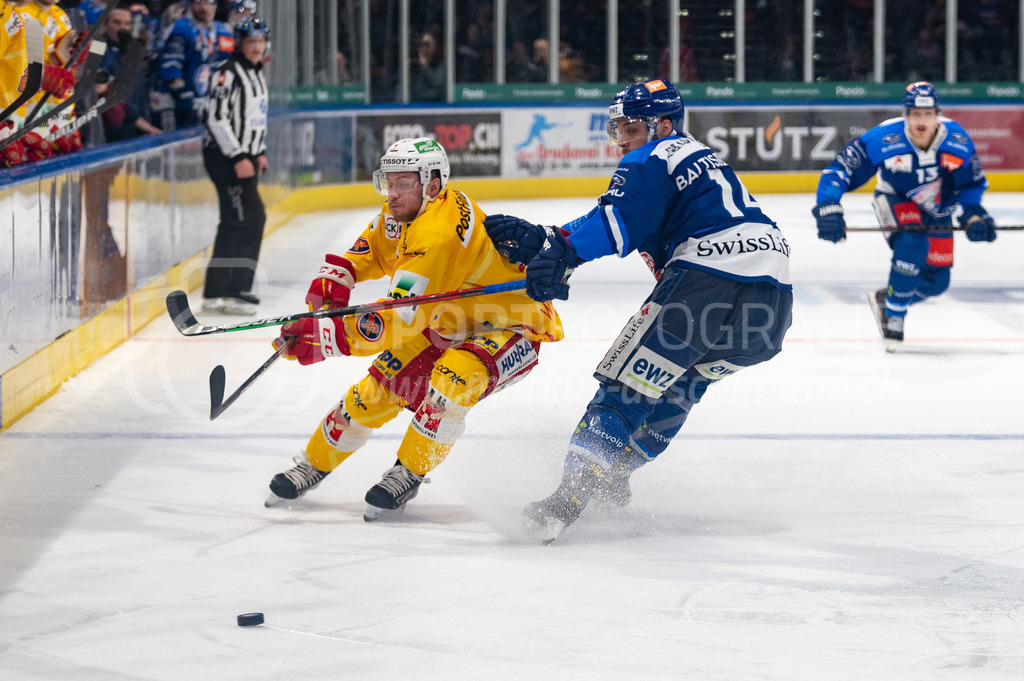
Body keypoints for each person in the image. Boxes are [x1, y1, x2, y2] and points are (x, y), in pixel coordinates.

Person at [484, 79, 793, 543]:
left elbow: (618, 222)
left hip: (708, 282)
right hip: (773, 304)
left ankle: (568, 498)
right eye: (618, 130)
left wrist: (563, 255)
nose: (623, 141)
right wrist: (552, 240)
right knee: (682, 385)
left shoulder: (653, 157)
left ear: (663, 126)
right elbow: (619, 219)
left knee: (626, 390)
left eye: (631, 128)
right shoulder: (698, 163)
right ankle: (613, 473)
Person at [265, 137, 564, 521]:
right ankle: (314, 463)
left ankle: (409, 471)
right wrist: (341, 275)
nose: (392, 193)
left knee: (453, 381)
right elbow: (375, 249)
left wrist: (325, 337)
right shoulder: (410, 208)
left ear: (433, 184)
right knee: (373, 395)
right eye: (389, 182)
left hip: (511, 327)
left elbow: (398, 318)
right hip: (446, 320)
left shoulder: (438, 236)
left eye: (403, 183)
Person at [812, 81, 997, 351]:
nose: (921, 121)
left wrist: (973, 214)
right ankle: (894, 314)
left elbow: (970, 183)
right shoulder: (883, 138)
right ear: (905, 115)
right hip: (895, 199)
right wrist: (828, 206)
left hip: (939, 209)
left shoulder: (957, 140)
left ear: (937, 115)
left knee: (936, 282)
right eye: (915, 114)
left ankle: (886, 300)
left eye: (928, 114)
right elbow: (839, 171)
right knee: (913, 242)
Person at [199, 15, 268, 314]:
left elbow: (255, 117)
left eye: (261, 41)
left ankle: (217, 291)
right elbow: (216, 118)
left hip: (243, 156)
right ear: (240, 43)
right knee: (250, 219)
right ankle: (236, 291)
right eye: (251, 41)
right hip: (226, 158)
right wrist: (238, 156)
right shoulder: (227, 74)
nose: (257, 46)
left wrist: (259, 151)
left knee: (234, 221)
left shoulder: (256, 72)